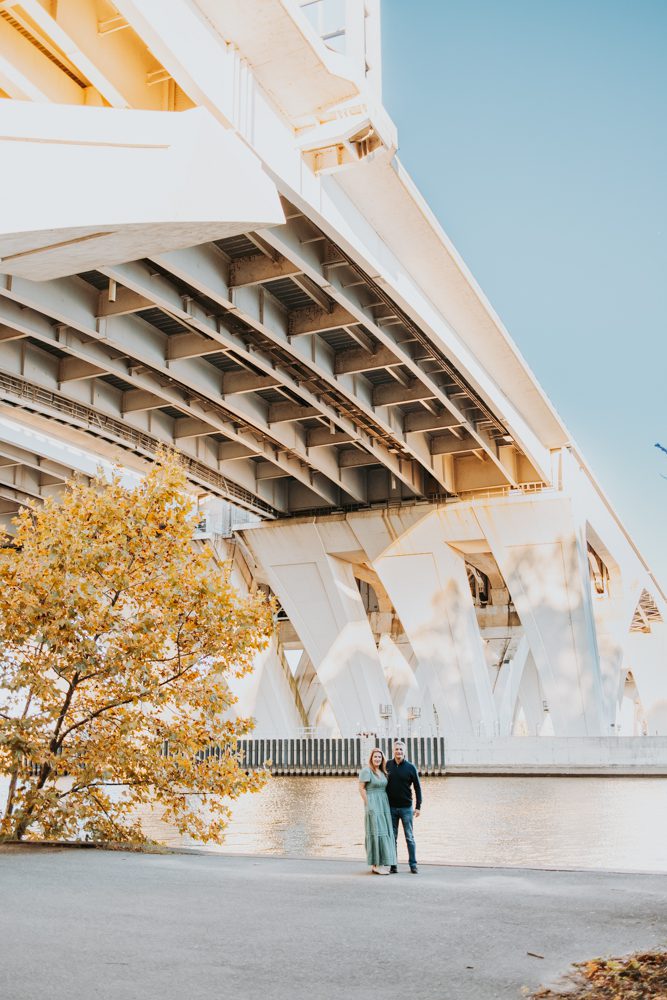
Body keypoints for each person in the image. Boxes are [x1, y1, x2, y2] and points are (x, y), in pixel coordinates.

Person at [358, 748, 397, 875]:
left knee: (384, 832)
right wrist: (368, 804)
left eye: (379, 757)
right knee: (376, 832)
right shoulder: (366, 771)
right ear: (371, 758)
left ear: (382, 759)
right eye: (375, 757)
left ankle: (381, 863)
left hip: (383, 804)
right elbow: (362, 788)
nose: (377, 759)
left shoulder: (382, 771)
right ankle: (376, 864)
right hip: (373, 803)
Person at [386, 740, 422, 874]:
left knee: (409, 837)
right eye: (396, 749)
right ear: (393, 750)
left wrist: (418, 806)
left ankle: (413, 864)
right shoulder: (387, 765)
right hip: (391, 808)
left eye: (401, 749)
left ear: (404, 751)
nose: (398, 751)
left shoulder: (411, 767)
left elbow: (418, 787)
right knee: (392, 837)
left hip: (407, 808)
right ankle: (393, 865)